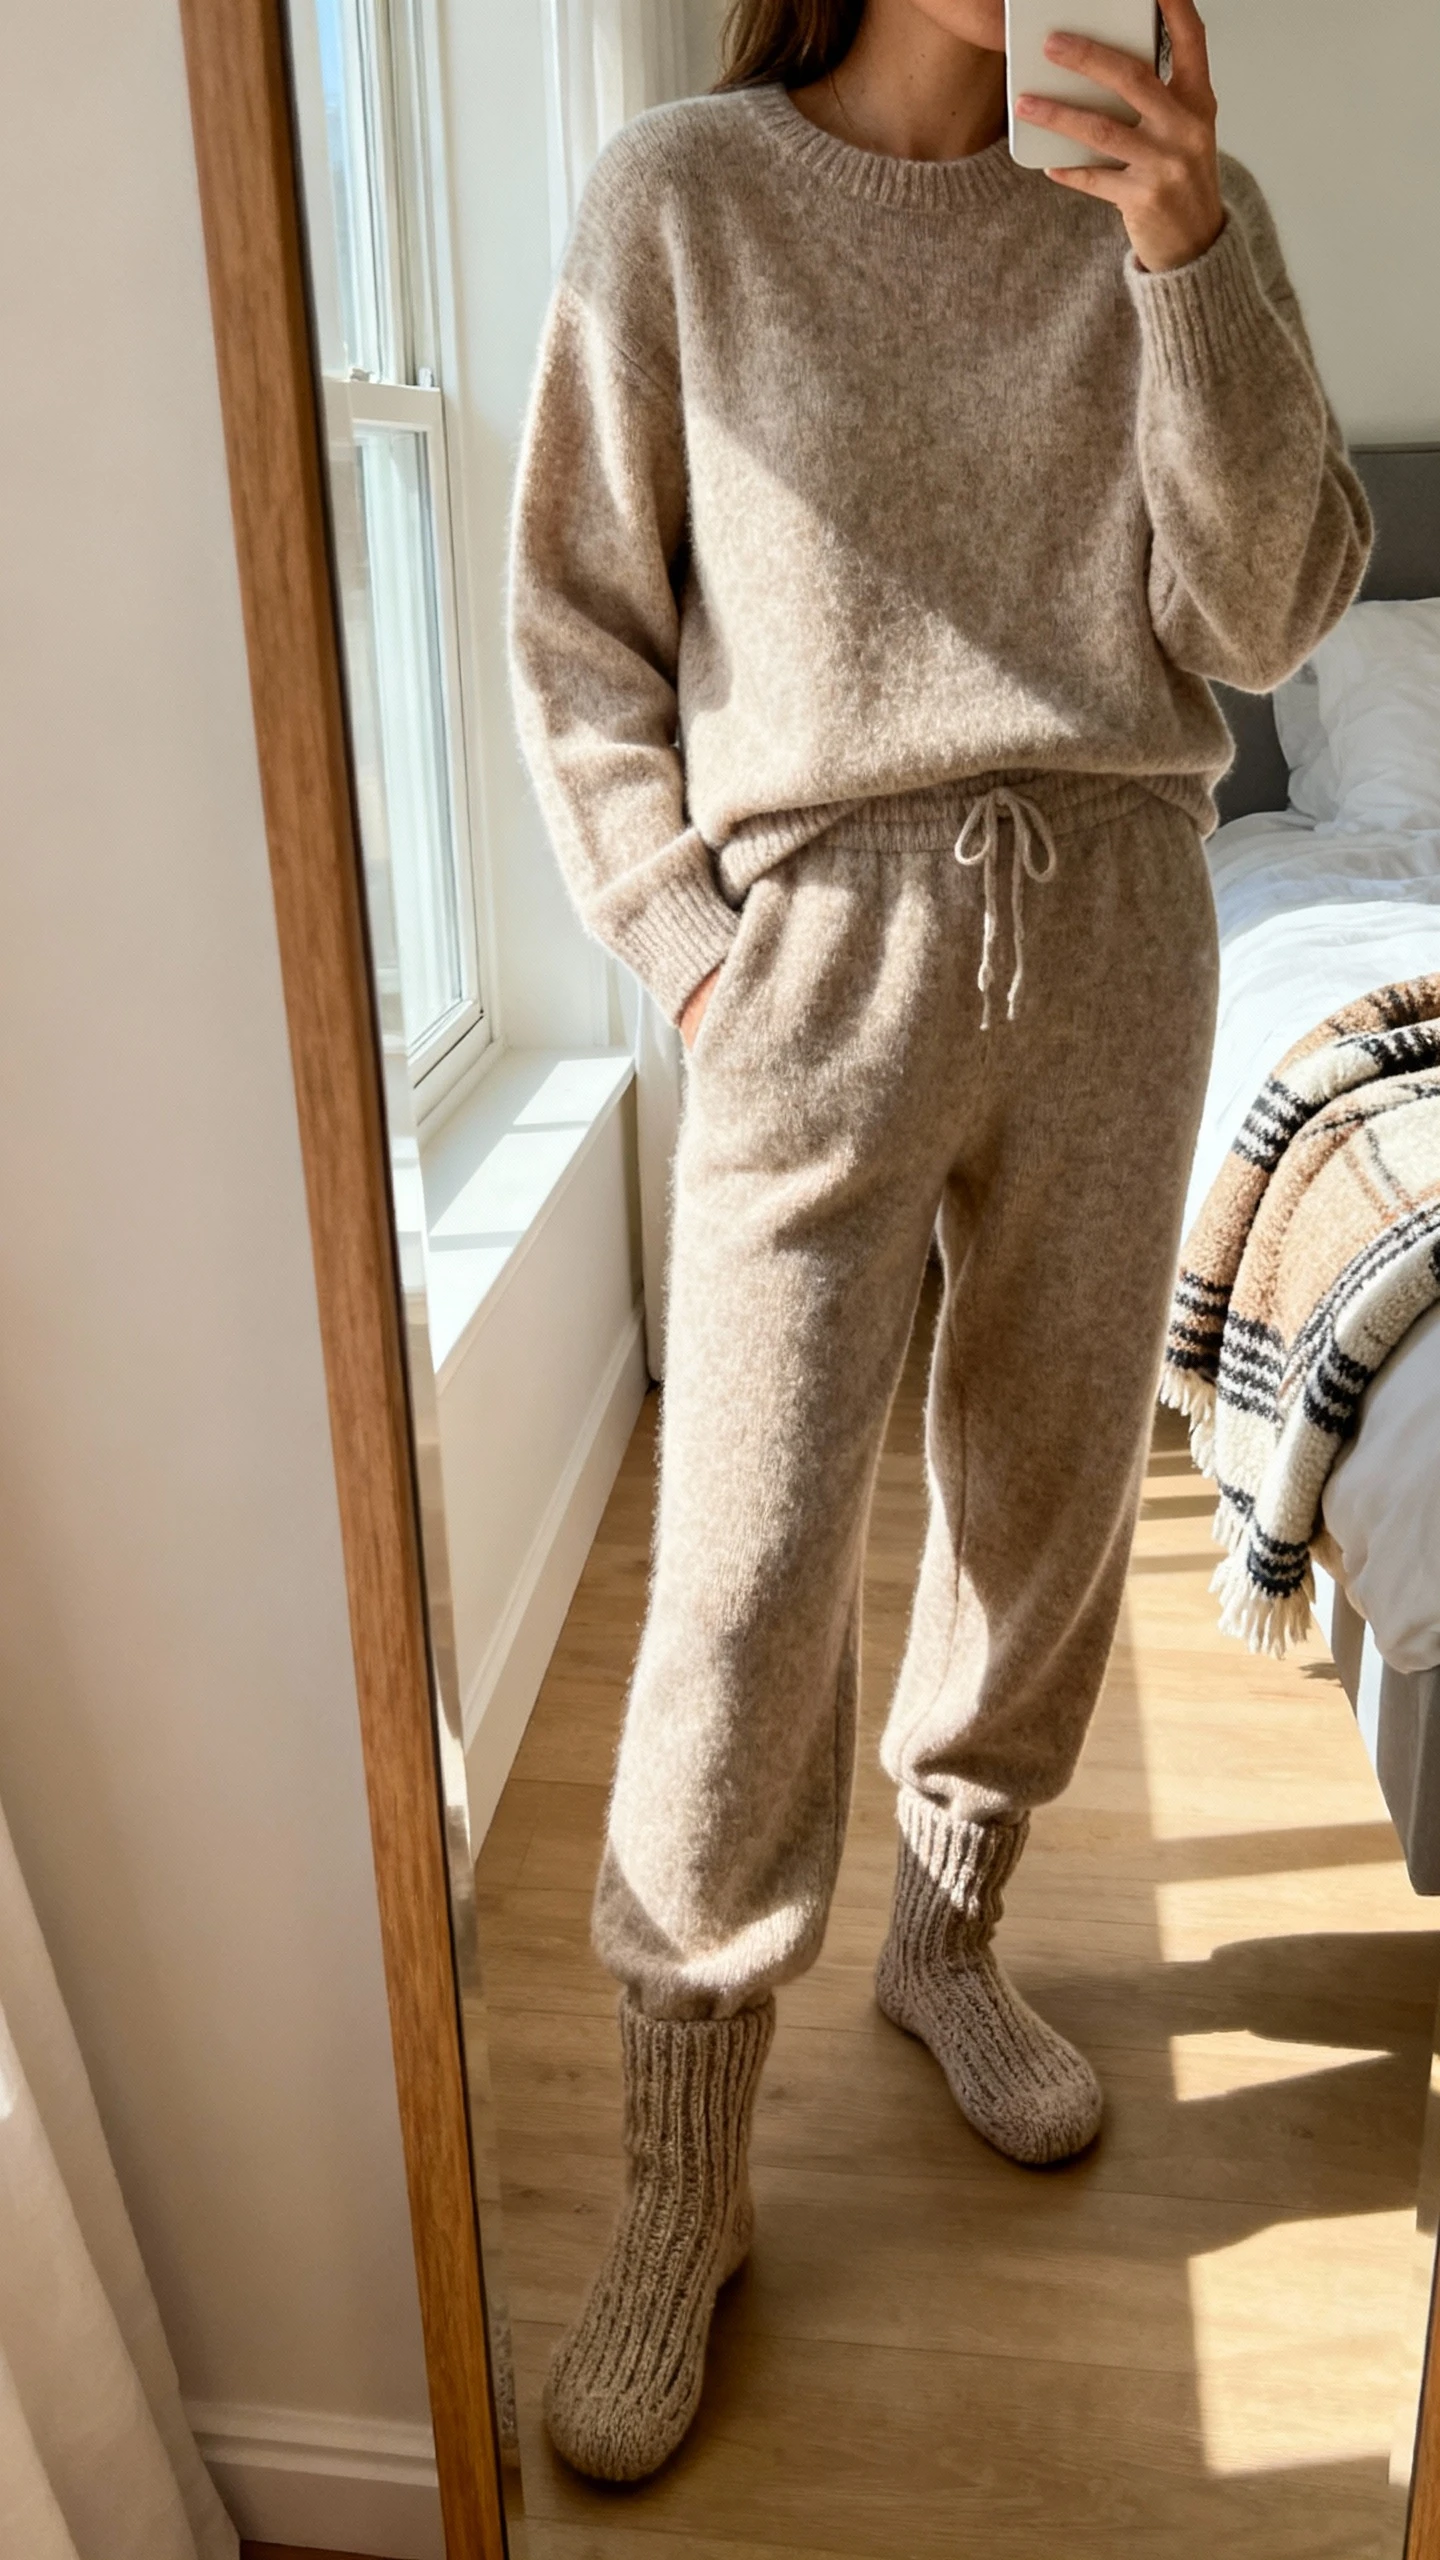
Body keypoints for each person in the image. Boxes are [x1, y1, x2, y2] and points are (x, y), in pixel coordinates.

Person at [508, 0, 1370, 2484]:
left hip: (1119, 921)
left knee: (1049, 1493)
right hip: (817, 954)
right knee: (747, 1567)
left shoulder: (1164, 206)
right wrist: (688, 946)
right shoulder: (684, 195)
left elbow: (1276, 601)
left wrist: (1188, 246)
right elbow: (580, 626)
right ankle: (681, 2174)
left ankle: (949, 1936)